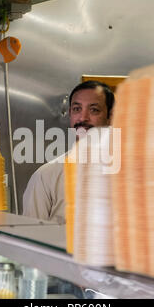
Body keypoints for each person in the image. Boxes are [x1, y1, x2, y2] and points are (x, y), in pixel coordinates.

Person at [22, 80, 115, 223]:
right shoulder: (46, 176)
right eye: (77, 109)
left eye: (94, 110)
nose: (83, 118)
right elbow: (28, 237)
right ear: (70, 114)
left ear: (110, 116)